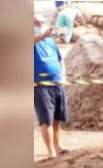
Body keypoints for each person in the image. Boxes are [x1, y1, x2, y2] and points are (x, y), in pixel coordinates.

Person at [35, 13, 72, 159]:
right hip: (40, 85)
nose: (40, 25)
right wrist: (43, 35)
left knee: (57, 117)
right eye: (36, 22)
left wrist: (62, 74)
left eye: (42, 22)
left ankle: (58, 146)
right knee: (46, 119)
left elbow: (60, 59)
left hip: (57, 83)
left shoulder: (50, 41)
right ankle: (50, 151)